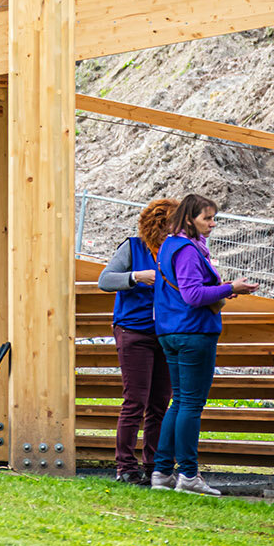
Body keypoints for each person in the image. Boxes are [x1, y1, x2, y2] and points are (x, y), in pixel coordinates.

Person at [151, 194, 259, 497]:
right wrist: (230, 288)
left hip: (171, 331)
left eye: (214, 219)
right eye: (206, 219)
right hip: (193, 333)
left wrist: (221, 291)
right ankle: (187, 473)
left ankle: (161, 472)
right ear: (190, 219)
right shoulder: (187, 249)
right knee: (191, 404)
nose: (212, 225)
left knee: (180, 401)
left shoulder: (169, 245)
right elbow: (194, 296)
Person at [97, 197, 178, 486]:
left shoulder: (179, 251)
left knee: (160, 403)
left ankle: (154, 465)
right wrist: (136, 277)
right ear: (159, 224)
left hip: (167, 333)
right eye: (173, 223)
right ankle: (125, 466)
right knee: (135, 401)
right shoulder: (132, 247)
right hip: (134, 331)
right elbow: (105, 280)